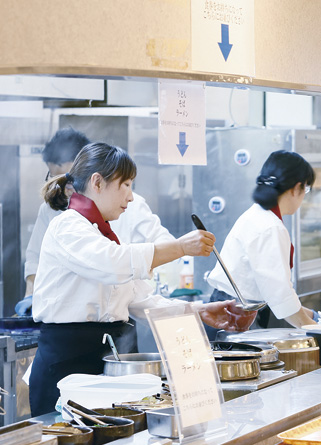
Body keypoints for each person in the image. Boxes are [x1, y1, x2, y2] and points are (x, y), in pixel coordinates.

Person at [29, 143, 256, 416]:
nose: (131, 197)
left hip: (105, 361)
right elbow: (112, 263)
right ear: (97, 182)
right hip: (66, 366)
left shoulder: (102, 234)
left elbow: (139, 299)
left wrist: (198, 311)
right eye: (125, 185)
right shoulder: (67, 226)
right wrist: (180, 247)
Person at [22, 127, 175, 300]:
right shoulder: (64, 220)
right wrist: (30, 296)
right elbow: (35, 257)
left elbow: (160, 242)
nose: (66, 185)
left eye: (71, 176)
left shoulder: (130, 205)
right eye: (54, 176)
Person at [206, 150, 317, 330]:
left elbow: (274, 292)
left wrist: (311, 316)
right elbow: (279, 295)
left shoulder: (258, 215)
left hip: (233, 308)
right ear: (296, 188)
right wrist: (317, 330)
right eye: (306, 189)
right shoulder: (270, 227)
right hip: (235, 315)